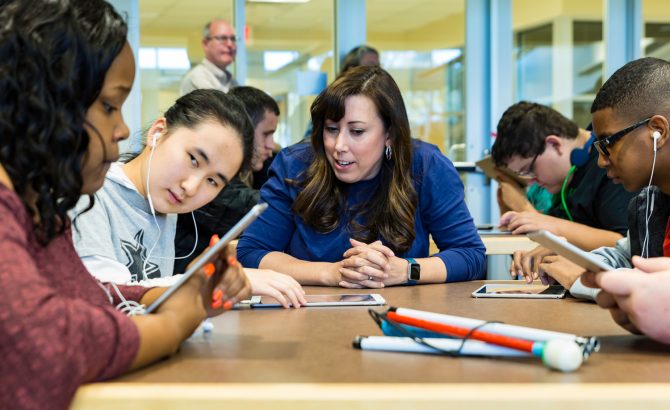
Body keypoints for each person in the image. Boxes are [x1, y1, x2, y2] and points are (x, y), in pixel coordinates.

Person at [0, 1, 250, 408]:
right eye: (108, 107)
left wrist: (180, 296)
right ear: (45, 99)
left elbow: (86, 294)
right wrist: (173, 324)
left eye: (213, 180)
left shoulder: (40, 210)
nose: (121, 129)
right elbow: (42, 348)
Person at [237, 66, 486, 287]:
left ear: (389, 134)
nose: (339, 145)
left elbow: (471, 255)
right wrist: (332, 273)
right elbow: (252, 252)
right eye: (331, 129)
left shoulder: (426, 165)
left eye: (357, 131)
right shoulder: (295, 165)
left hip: (399, 314)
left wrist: (405, 270)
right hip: (307, 312)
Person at [71, 89, 305, 308]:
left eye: (212, 181)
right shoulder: (89, 194)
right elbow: (105, 295)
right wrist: (202, 281)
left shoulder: (164, 206)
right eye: (193, 159)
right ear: (158, 132)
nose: (191, 188)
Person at [538, 57, 670, 308]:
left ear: (658, 131)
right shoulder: (649, 204)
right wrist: (575, 261)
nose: (601, 162)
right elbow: (622, 255)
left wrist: (582, 280)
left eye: (608, 144)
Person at [492, 102, 636, 252]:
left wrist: (528, 211)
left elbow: (626, 244)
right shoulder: (563, 179)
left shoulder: (608, 165)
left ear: (554, 144)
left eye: (530, 169)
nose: (530, 181)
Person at [174, 86, 280, 274]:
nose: (270, 145)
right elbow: (265, 208)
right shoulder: (218, 191)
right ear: (244, 131)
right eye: (266, 134)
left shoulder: (257, 172)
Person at [180, 19, 238, 95]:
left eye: (233, 39)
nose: (230, 44)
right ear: (206, 43)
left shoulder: (232, 82)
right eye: (222, 38)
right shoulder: (198, 78)